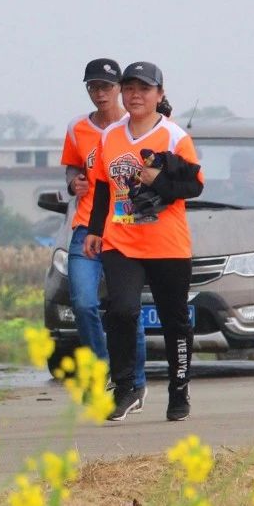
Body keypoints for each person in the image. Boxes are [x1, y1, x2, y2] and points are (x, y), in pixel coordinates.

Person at [83, 61, 204, 422]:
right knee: (120, 311)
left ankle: (178, 390)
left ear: (159, 95)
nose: (135, 95)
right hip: (121, 239)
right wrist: (93, 230)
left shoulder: (174, 137)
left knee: (174, 319)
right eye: (129, 88)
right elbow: (103, 187)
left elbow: (195, 185)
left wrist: (158, 182)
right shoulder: (110, 136)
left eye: (145, 89)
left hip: (166, 243)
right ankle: (126, 389)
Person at [60, 58, 148, 400]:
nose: (100, 94)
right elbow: (71, 169)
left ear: (121, 90)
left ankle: (135, 382)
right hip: (86, 226)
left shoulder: (136, 127)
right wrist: (74, 184)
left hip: (125, 226)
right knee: (83, 301)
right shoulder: (77, 128)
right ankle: (101, 371)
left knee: (126, 309)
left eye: (107, 87)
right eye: (93, 87)